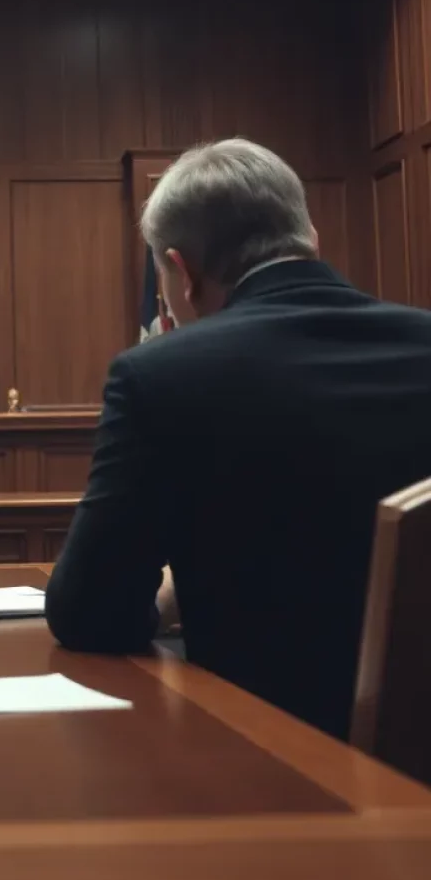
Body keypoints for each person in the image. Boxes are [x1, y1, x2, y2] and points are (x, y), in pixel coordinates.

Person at [45, 138, 431, 741]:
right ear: (312, 240)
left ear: (183, 272)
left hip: (266, 758)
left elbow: (89, 616)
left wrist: (166, 596)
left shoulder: (158, 375)